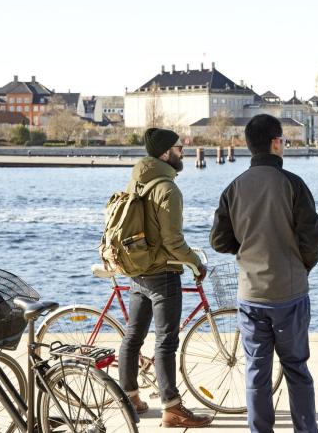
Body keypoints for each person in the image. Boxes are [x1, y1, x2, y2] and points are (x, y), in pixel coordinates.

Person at [210, 114, 318, 433]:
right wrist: (302, 265)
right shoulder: (292, 184)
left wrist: (247, 247)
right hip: (289, 292)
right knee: (296, 369)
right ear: (276, 143)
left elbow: (219, 240)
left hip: (251, 294)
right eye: (284, 141)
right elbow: (312, 235)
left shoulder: (233, 188)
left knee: (257, 372)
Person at [117, 127, 212, 428]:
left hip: (138, 271)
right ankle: (172, 408)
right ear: (164, 153)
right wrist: (196, 262)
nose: (183, 151)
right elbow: (173, 241)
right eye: (179, 147)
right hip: (162, 273)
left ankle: (129, 398)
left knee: (133, 337)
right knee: (166, 343)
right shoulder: (168, 188)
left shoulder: (136, 182)